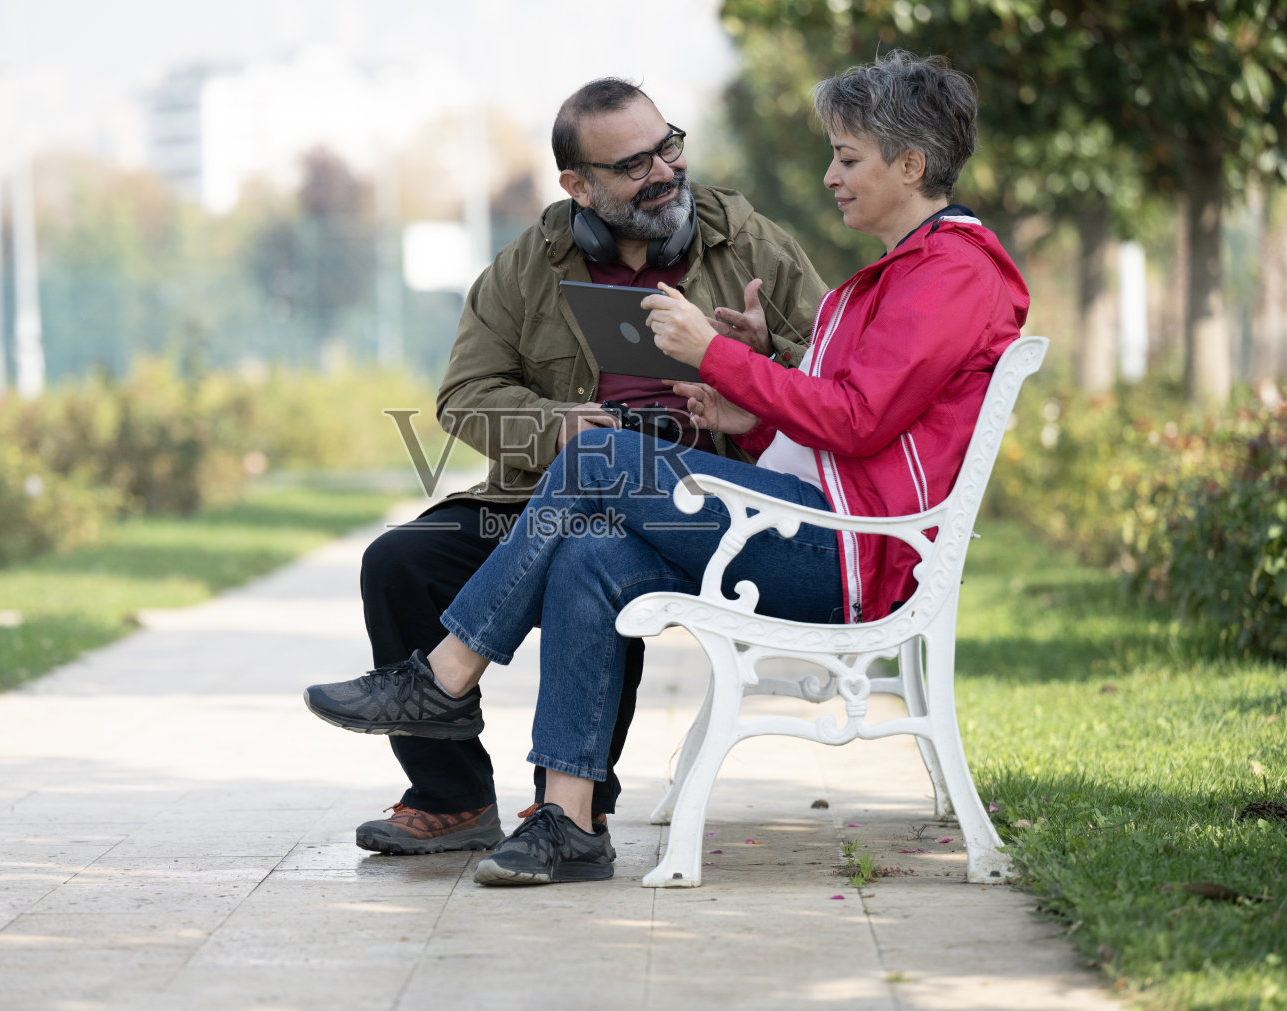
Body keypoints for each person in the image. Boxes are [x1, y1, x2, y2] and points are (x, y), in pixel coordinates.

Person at [311, 50, 1030, 884]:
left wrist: (721, 357)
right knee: (584, 547)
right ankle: (570, 823)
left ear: (911, 164)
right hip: (797, 519)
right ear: (580, 186)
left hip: (844, 549)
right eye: (631, 163)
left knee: (597, 460)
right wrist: (750, 408)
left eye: (846, 156)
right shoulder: (901, 274)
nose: (830, 174)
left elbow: (860, 420)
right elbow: (841, 424)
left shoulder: (948, 272)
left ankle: (445, 673)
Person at [347, 78, 828, 856]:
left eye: (667, 146)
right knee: (398, 561)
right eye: (633, 165)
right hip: (550, 488)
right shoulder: (531, 262)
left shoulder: (748, 241)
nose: (664, 171)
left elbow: (843, 375)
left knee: (596, 550)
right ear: (579, 186)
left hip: (701, 503)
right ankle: (453, 798)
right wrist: (555, 425)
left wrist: (751, 354)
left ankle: (573, 807)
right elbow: (464, 396)